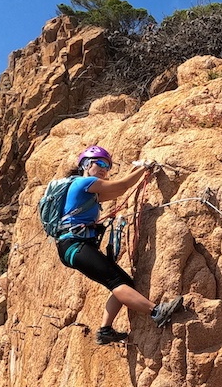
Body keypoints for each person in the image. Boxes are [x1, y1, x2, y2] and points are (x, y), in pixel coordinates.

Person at [54, 145, 184, 344]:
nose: (104, 169)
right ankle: (156, 312)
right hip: (75, 245)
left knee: (123, 282)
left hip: (74, 247)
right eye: (100, 164)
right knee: (116, 282)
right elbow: (122, 186)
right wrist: (145, 168)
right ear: (86, 165)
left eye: (107, 166)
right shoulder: (84, 183)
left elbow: (117, 191)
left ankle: (105, 330)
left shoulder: (86, 189)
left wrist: (137, 171)